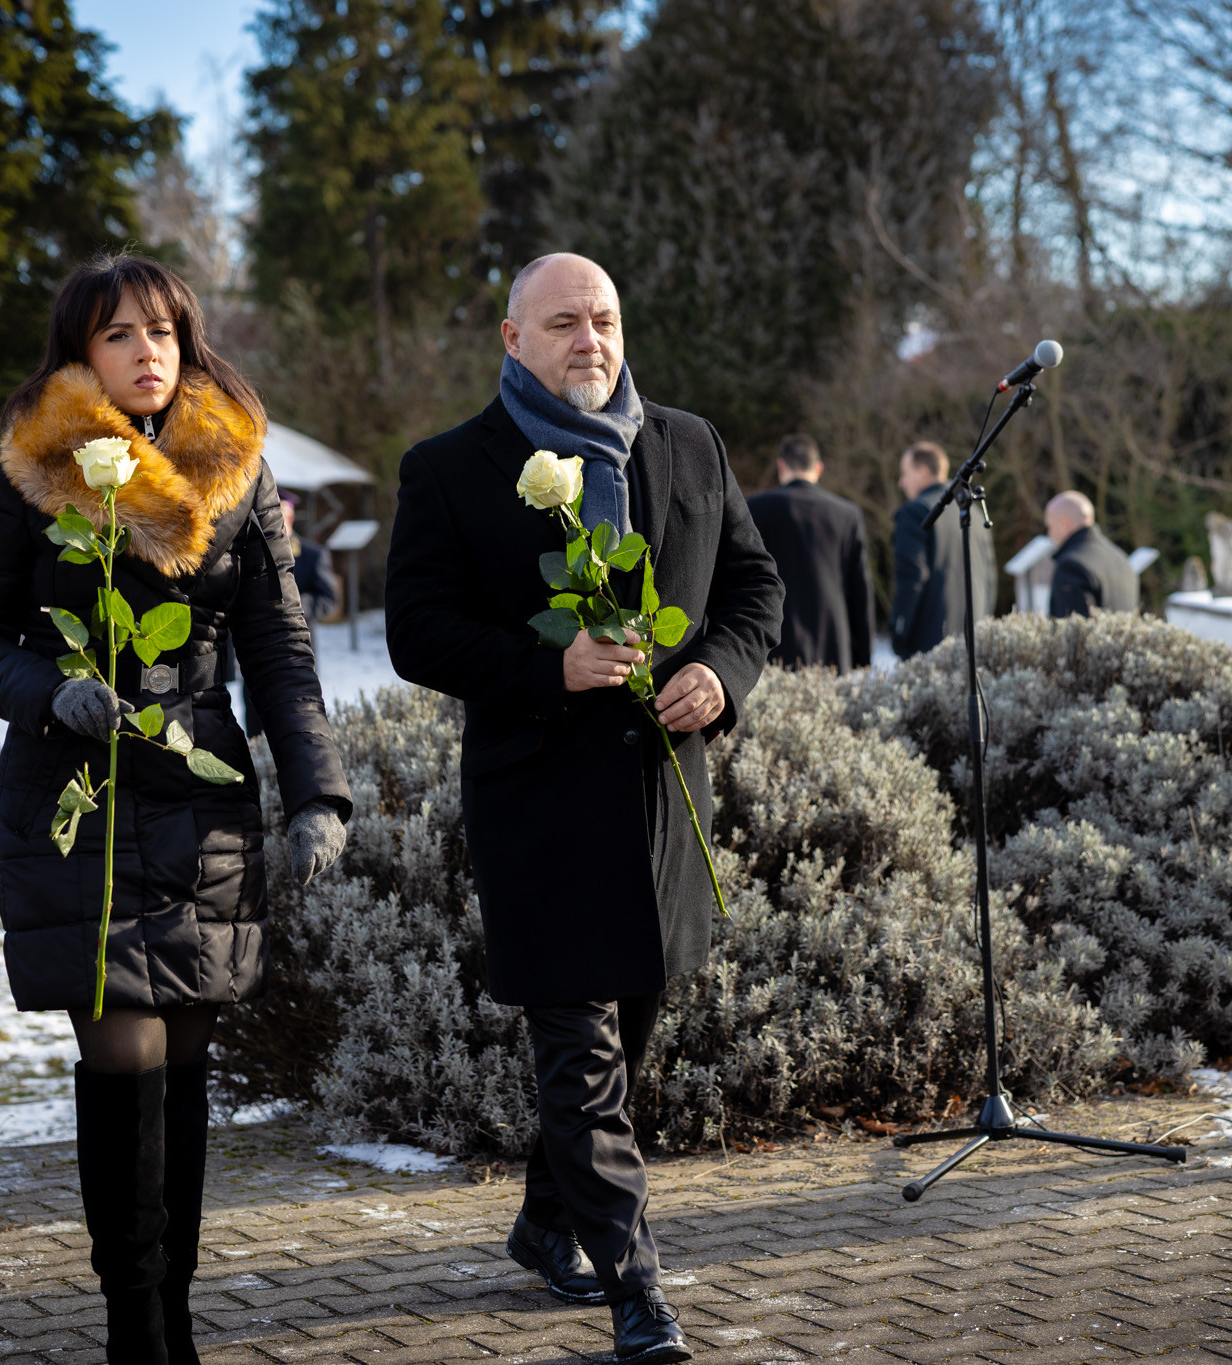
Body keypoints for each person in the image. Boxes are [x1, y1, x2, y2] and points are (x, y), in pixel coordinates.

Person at [0, 250, 352, 1365]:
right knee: (124, 1051)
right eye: (118, 333)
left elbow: (280, 647)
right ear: (82, 353)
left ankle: (175, 1323)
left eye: (161, 330)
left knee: (185, 1066)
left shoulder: (237, 466)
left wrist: (317, 791)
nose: (146, 351)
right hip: (78, 792)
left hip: (200, 789)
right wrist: (50, 693)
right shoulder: (30, 464)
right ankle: (136, 1329)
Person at [384, 252, 782, 1365]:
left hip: (664, 805)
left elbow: (754, 587)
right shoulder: (450, 467)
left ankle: (543, 1219)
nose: (589, 340)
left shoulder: (690, 444)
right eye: (563, 323)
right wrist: (543, 669)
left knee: (628, 1037)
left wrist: (721, 677)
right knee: (582, 1059)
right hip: (538, 811)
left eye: (602, 319)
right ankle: (638, 1293)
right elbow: (417, 631)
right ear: (513, 340)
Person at [745, 434, 873, 673]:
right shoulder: (847, 514)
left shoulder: (755, 508)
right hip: (833, 647)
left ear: (781, 465)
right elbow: (860, 592)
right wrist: (863, 659)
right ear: (818, 468)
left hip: (774, 647)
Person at [240, 491, 339, 739]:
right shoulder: (249, 552)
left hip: (296, 648)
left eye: (281, 514)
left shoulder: (313, 554)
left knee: (297, 718)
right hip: (257, 647)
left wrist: (294, 603)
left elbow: (328, 600)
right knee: (254, 715)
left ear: (291, 517)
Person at [890, 440, 995, 658]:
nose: (901, 483)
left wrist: (900, 632)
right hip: (972, 645)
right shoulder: (975, 513)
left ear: (922, 471)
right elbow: (990, 578)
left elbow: (912, 577)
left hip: (929, 648)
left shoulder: (915, 512)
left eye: (905, 474)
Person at [1043, 490, 1140, 618]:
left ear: (1064, 524)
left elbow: (1073, 628)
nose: (1049, 535)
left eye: (1050, 527)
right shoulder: (1121, 559)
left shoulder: (1071, 567)